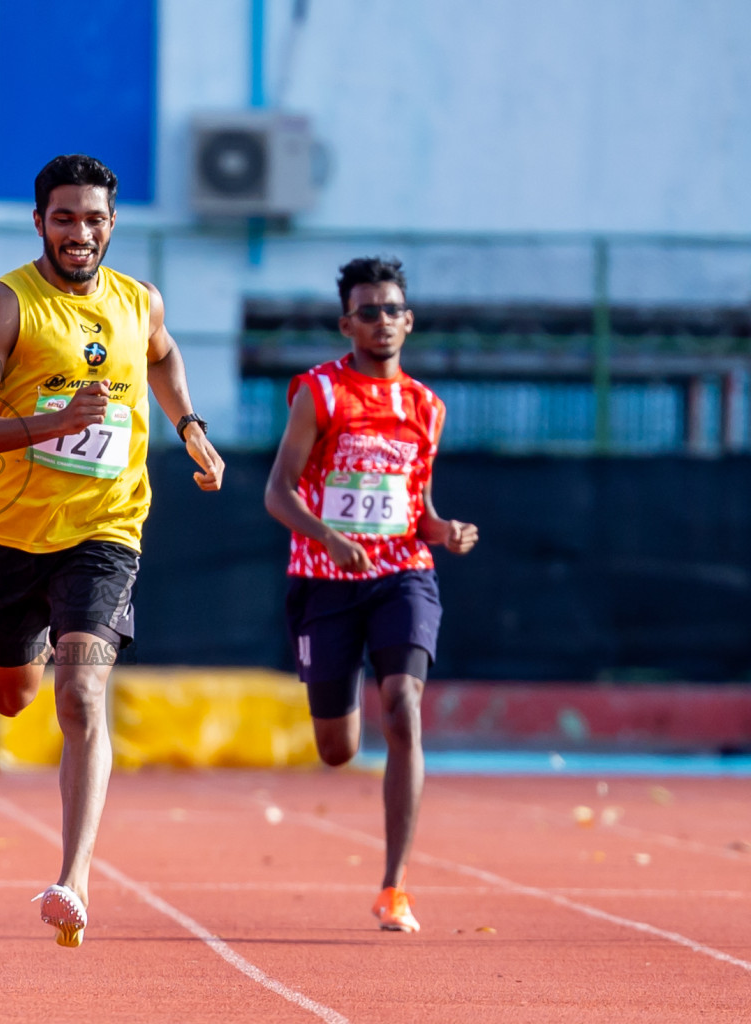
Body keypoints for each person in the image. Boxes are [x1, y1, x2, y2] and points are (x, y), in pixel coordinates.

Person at [0, 154, 224, 947]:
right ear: (39, 222)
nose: (80, 233)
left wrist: (190, 427)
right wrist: (53, 424)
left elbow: (162, 356)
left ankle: (75, 880)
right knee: (13, 696)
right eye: (64, 218)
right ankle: (14, 660)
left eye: (94, 219)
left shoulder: (139, 303)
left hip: (106, 531)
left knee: (82, 693)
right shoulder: (7, 307)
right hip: (6, 536)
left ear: (112, 224)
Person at [263, 256, 478, 933]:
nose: (381, 322)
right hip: (325, 580)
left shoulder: (426, 407)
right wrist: (327, 537)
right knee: (336, 749)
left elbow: (420, 508)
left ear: (408, 321)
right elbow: (279, 492)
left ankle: (395, 886)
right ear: (346, 323)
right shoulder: (320, 394)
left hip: (401, 573)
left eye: (392, 310)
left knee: (403, 704)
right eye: (368, 311)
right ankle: (338, 719)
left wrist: (443, 530)